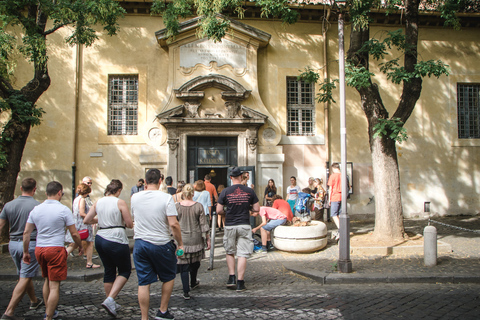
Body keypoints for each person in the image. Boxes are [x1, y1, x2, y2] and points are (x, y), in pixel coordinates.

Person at [23, 181, 84, 320]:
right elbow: (74, 234)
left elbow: (26, 233)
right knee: (55, 285)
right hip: (55, 249)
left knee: (46, 280)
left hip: (40, 249)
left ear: (46, 193)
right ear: (59, 193)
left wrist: (26, 252)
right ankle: (49, 316)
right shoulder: (63, 210)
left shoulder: (36, 209)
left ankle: (49, 310)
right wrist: (80, 246)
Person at [131, 169, 184, 320]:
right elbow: (173, 224)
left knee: (143, 282)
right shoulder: (166, 198)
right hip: (161, 243)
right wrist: (180, 244)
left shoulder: (135, 197)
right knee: (168, 277)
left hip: (140, 243)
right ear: (160, 181)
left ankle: (144, 317)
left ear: (145, 181)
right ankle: (162, 310)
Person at [84, 179, 133, 317]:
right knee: (125, 270)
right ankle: (110, 299)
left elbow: (86, 220)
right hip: (116, 238)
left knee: (109, 270)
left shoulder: (98, 202)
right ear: (118, 191)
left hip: (100, 237)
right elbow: (129, 224)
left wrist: (100, 220)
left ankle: (109, 300)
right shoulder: (120, 202)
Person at [0, 178, 43, 320]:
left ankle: (34, 301)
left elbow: (0, 225)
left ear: (20, 188)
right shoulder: (37, 206)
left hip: (13, 244)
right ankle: (9, 312)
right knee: (25, 277)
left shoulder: (9, 205)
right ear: (34, 189)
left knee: (24, 274)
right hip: (30, 243)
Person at [216, 167, 259, 292]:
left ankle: (231, 278)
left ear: (231, 178)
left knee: (230, 251)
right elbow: (257, 209)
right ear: (241, 177)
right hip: (244, 224)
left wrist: (227, 211)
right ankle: (240, 283)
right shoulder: (249, 191)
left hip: (230, 224)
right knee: (242, 254)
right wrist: (248, 210)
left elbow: (219, 210)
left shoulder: (225, 191)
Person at [175, 184, 210, 300]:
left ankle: (186, 291)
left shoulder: (177, 207)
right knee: (196, 261)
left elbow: (173, 224)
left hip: (181, 241)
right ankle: (193, 281)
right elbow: (203, 224)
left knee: (183, 264)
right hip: (196, 239)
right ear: (193, 193)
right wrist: (208, 239)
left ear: (183, 194)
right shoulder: (199, 206)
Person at [65, 183, 100, 269]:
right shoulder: (83, 199)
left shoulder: (76, 199)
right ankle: (89, 262)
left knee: (73, 244)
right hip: (83, 224)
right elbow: (82, 213)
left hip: (76, 223)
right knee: (90, 243)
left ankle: (60, 258)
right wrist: (91, 218)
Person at [327, 163, 343, 241]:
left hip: (334, 197)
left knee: (333, 214)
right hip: (342, 197)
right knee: (340, 214)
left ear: (333, 168)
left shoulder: (332, 176)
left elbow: (330, 188)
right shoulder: (344, 175)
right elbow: (349, 186)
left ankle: (341, 230)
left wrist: (329, 199)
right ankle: (341, 229)